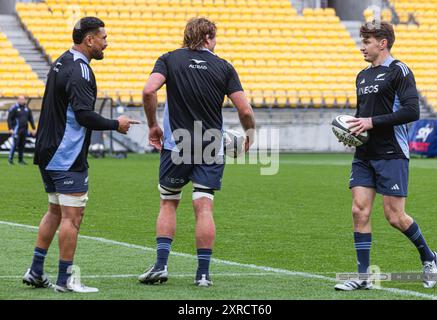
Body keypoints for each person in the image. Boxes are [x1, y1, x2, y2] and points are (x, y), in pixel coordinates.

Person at [22, 17, 139, 293]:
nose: (106, 43)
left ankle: (36, 271)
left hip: (47, 150)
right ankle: (65, 280)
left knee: (54, 210)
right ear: (89, 40)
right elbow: (84, 115)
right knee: (72, 218)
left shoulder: (61, 60)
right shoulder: (82, 71)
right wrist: (116, 124)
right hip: (66, 154)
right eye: (103, 38)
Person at [138, 17, 255, 287]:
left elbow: (148, 91)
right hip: (211, 147)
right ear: (207, 38)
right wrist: (250, 135)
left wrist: (153, 125)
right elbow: (245, 110)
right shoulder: (224, 66)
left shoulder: (168, 59)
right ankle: (202, 275)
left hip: (175, 146)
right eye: (215, 37)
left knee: (169, 202)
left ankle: (161, 266)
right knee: (204, 206)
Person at [334, 21, 437, 291]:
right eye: (362, 41)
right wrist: (352, 131)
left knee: (395, 217)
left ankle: (428, 256)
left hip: (392, 152)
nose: (362, 47)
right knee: (359, 210)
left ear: (383, 43)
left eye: (367, 42)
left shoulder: (399, 71)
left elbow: (412, 111)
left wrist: (371, 122)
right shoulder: (362, 76)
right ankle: (363, 276)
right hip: (364, 154)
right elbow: (361, 117)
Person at [7, 95, 35, 165]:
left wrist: (33, 128)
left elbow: (30, 119)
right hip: (16, 130)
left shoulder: (27, 109)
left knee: (22, 145)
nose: (22, 101)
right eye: (21, 99)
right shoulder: (14, 108)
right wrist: (10, 128)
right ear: (18, 100)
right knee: (15, 144)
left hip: (24, 130)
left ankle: (20, 160)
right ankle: (10, 160)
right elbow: (9, 119)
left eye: (23, 99)